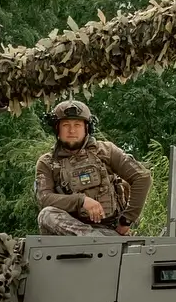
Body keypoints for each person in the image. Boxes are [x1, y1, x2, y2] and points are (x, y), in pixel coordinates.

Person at [34, 100, 152, 236]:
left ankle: (102, 240)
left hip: (110, 229)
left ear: (87, 128)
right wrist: (81, 201)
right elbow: (44, 198)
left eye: (77, 125)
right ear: (57, 129)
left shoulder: (106, 151)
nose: (72, 130)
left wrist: (126, 221)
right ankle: (96, 240)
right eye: (66, 125)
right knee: (46, 215)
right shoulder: (47, 162)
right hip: (70, 231)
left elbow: (142, 177)